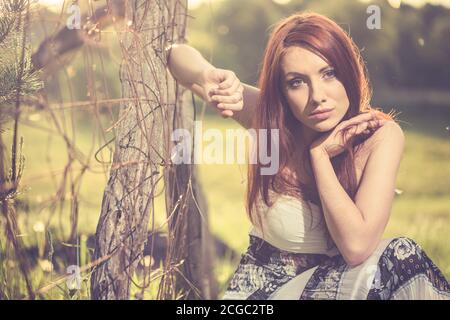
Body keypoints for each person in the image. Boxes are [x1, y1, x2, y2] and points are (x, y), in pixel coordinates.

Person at [166, 12, 450, 300]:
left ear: (348, 70)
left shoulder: (380, 136)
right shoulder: (272, 121)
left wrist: (319, 157)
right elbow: (175, 56)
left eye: (328, 74)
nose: (317, 96)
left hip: (344, 290)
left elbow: (357, 247)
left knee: (401, 256)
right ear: (282, 91)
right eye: (297, 82)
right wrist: (206, 74)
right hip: (264, 294)